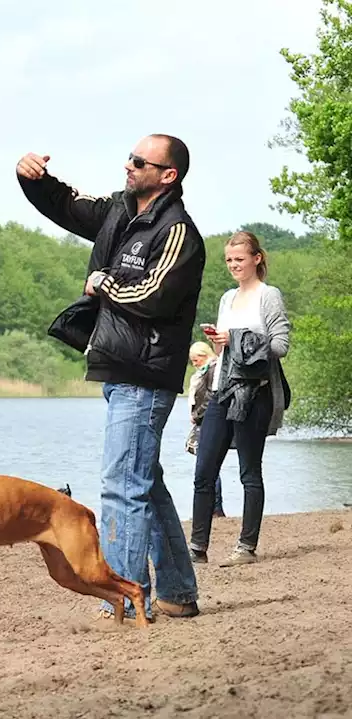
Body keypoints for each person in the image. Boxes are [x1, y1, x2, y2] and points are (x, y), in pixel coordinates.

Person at [16, 134, 203, 621]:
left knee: (123, 485)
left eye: (141, 161)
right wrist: (30, 177)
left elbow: (154, 295)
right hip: (117, 367)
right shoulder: (118, 211)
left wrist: (104, 283)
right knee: (144, 482)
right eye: (130, 156)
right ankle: (178, 592)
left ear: (168, 175)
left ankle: (123, 594)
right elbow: (65, 205)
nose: (129, 164)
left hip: (145, 373)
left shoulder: (178, 230)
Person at [189, 231, 291, 566]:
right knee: (204, 471)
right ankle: (197, 548)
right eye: (230, 260)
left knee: (250, 472)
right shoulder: (226, 299)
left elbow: (279, 346)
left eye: (240, 259)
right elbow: (223, 350)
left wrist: (236, 339)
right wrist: (219, 342)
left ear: (256, 259)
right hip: (221, 390)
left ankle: (246, 547)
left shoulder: (268, 295)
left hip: (254, 394)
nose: (234, 265)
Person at [186, 341, 226, 518]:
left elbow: (210, 397)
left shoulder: (213, 369)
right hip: (202, 421)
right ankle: (212, 508)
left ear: (204, 355)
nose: (194, 364)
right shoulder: (204, 372)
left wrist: (197, 414)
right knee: (207, 466)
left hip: (206, 421)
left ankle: (214, 508)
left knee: (207, 466)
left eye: (196, 360)